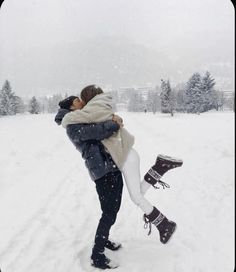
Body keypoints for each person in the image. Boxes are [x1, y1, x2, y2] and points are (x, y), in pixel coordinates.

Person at [60, 85, 183, 246]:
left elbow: (88, 122)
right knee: (136, 195)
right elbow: (95, 121)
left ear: (89, 99)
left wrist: (66, 118)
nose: (81, 102)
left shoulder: (93, 109)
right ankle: (160, 172)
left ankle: (164, 224)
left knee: (136, 196)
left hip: (124, 155)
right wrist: (114, 118)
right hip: (125, 154)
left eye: (82, 99)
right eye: (78, 100)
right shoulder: (99, 106)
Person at [55, 96, 124, 269]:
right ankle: (97, 256)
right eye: (78, 100)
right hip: (101, 171)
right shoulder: (71, 125)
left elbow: (102, 124)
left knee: (113, 209)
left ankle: (104, 238)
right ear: (71, 106)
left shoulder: (84, 117)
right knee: (109, 212)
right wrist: (114, 124)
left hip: (111, 165)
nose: (82, 101)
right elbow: (99, 131)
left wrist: (115, 120)